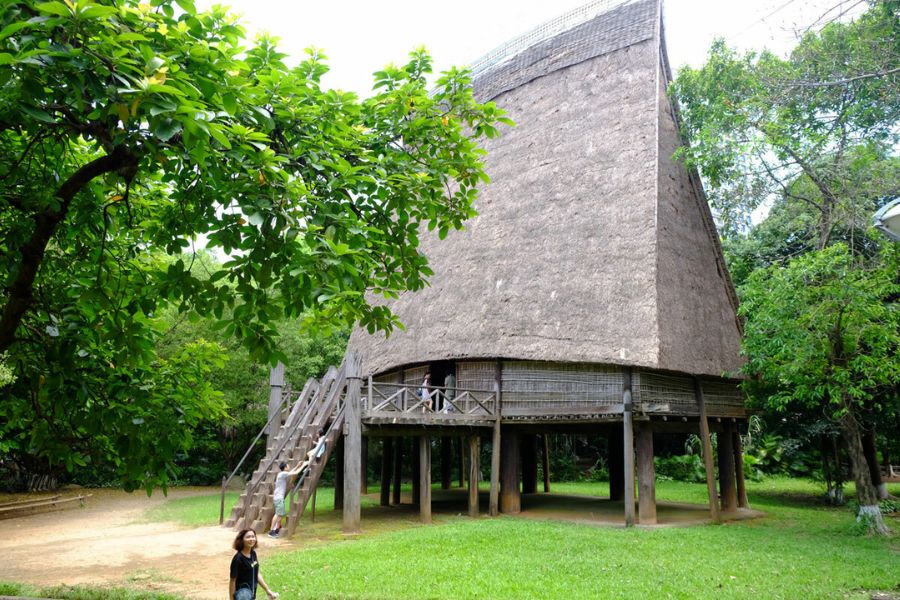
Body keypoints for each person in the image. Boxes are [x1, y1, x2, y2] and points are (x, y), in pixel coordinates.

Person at [268, 427, 326, 537]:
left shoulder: (282, 473)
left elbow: (293, 470)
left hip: (278, 496)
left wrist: (299, 465)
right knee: (279, 514)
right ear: (285, 468)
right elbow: (294, 473)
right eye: (288, 465)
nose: (289, 466)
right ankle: (272, 531)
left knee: (279, 514)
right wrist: (304, 465)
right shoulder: (283, 474)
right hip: (279, 497)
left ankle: (275, 529)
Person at [229, 528, 278, 600]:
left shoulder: (253, 554)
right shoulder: (238, 558)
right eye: (248, 537)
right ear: (241, 540)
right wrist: (231, 599)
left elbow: (257, 574)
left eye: (253, 536)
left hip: (251, 594)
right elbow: (232, 581)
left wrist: (267, 590)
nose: (251, 539)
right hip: (242, 596)